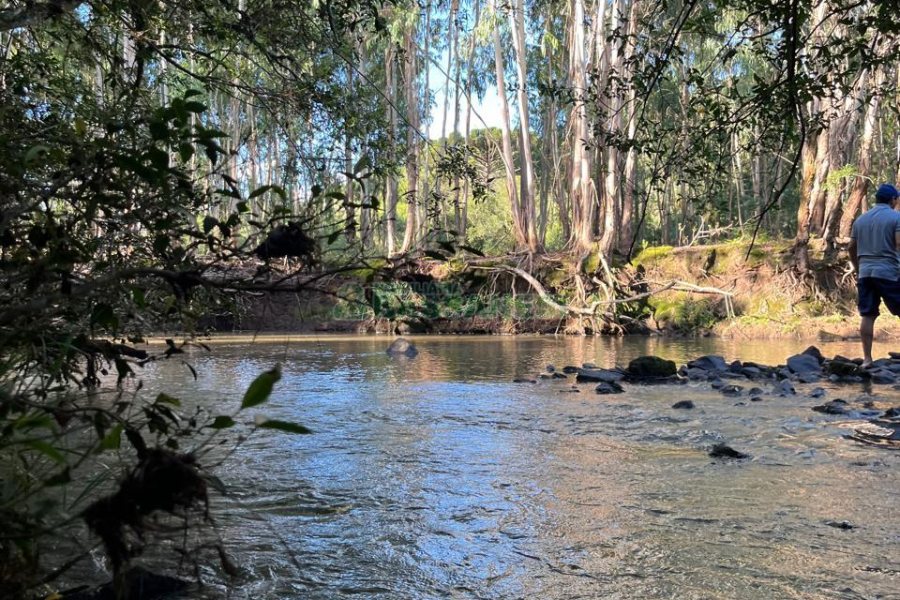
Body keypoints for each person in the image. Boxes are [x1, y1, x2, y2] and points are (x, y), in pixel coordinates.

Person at [848, 183, 900, 367]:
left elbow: (851, 247)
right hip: (889, 272)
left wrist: (857, 267)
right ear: (893, 199)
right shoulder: (896, 218)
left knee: (868, 315)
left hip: (865, 273)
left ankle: (867, 359)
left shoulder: (861, 220)